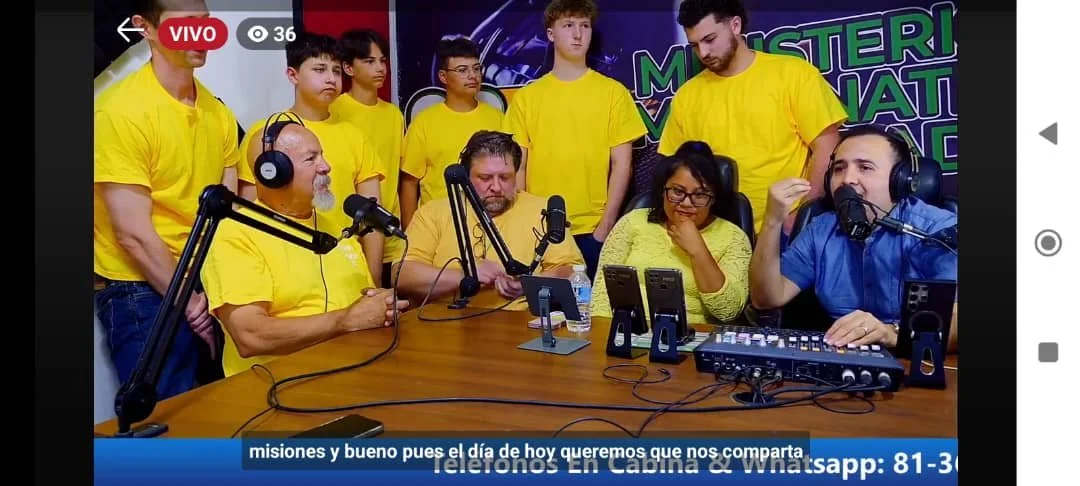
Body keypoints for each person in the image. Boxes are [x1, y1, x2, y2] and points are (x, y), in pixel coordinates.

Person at [94, 0, 238, 399]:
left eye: (205, 23)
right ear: (146, 28)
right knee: (165, 418)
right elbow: (133, 236)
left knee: (222, 409)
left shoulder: (217, 112)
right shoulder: (120, 111)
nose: (200, 35)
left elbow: (228, 207)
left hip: (206, 279)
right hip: (142, 291)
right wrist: (189, 303)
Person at [201, 121, 409, 377]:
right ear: (274, 172)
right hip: (277, 385)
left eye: (322, 155)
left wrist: (381, 306)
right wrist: (346, 320)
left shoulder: (335, 228)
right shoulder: (236, 235)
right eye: (311, 159)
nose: (326, 166)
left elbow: (362, 303)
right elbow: (250, 336)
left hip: (353, 372)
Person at [749, 125, 958, 351]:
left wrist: (891, 333)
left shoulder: (936, 229)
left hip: (915, 358)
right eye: (839, 169)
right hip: (841, 354)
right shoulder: (821, 229)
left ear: (901, 179)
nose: (847, 179)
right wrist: (772, 221)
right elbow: (766, 299)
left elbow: (957, 322)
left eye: (865, 167)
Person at [659, 0, 849, 234]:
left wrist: (802, 215)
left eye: (710, 39)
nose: (703, 53)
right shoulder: (686, 96)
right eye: (695, 46)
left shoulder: (793, 74)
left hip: (783, 228)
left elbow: (827, 146)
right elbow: (674, 168)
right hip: (714, 233)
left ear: (735, 25)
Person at [502, 0, 647, 281]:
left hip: (593, 230)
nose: (578, 34)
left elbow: (622, 165)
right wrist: (522, 223)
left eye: (585, 26)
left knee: (593, 307)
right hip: (541, 231)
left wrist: (605, 226)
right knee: (538, 306)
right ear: (551, 33)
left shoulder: (613, 93)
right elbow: (518, 167)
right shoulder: (527, 98)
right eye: (568, 25)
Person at [236, 33, 386, 285]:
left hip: (345, 266)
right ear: (292, 75)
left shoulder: (355, 136)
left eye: (336, 71)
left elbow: (372, 219)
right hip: (286, 268)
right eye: (319, 69)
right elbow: (250, 210)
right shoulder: (267, 134)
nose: (331, 78)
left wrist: (373, 281)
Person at [395, 131, 585, 310]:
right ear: (466, 177)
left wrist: (528, 285)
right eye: (485, 178)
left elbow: (572, 272)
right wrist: (465, 276)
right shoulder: (433, 213)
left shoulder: (540, 210)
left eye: (505, 177)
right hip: (446, 321)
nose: (496, 187)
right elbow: (401, 275)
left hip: (518, 322)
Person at [591, 142, 751, 325]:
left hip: (692, 336)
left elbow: (728, 311)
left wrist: (698, 250)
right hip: (626, 333)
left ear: (714, 198)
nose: (686, 203)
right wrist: (604, 335)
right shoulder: (633, 221)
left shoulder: (734, 238)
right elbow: (601, 295)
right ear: (663, 190)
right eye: (677, 192)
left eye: (699, 195)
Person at [400, 37, 504, 228]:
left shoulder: (498, 119)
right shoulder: (425, 122)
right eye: (463, 70)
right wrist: (411, 234)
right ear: (443, 76)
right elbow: (409, 183)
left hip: (489, 225)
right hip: (437, 225)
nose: (472, 75)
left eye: (476, 68)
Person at [331, 29, 406, 288]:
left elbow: (399, 174)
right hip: (351, 232)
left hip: (390, 231)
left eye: (383, 61)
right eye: (369, 61)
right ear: (348, 68)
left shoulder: (394, 114)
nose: (380, 68)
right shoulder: (335, 110)